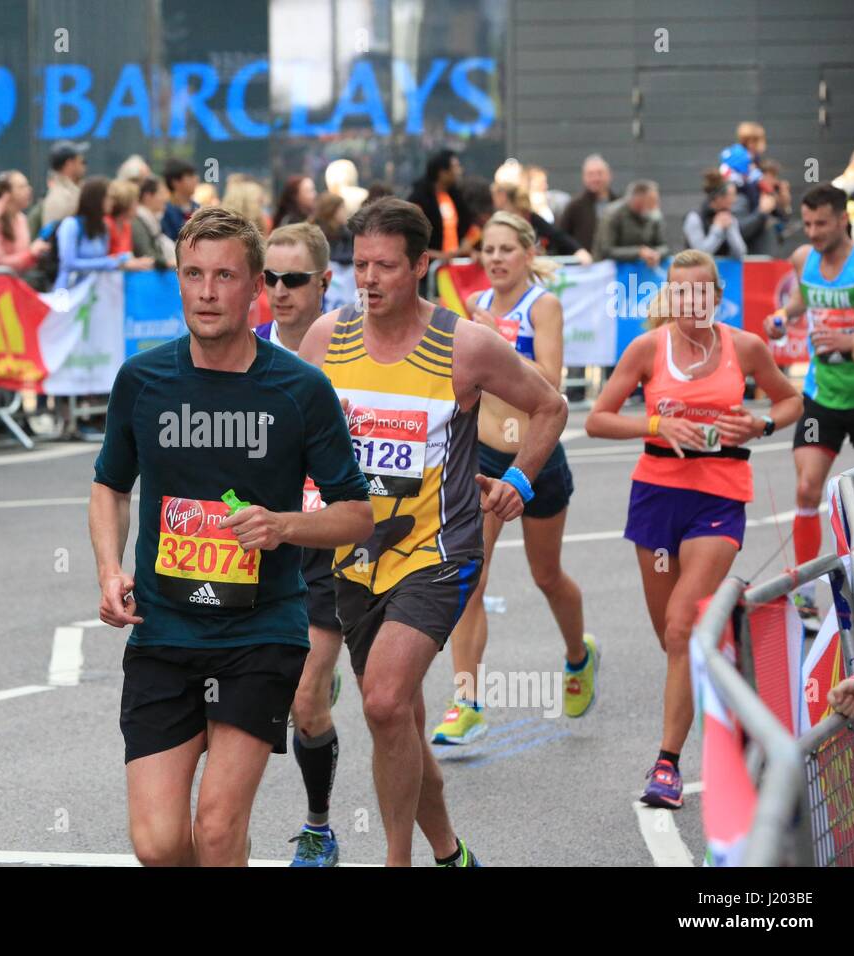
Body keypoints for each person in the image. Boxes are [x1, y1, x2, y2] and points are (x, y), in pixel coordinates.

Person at [89, 206, 373, 867]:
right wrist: (109, 568)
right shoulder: (144, 381)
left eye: (225, 276)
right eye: (193, 274)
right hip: (164, 632)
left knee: (217, 832)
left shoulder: (300, 390)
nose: (208, 292)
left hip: (259, 633)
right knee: (160, 845)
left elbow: (357, 515)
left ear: (254, 289)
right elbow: (109, 485)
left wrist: (284, 527)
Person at [297, 198, 569, 865]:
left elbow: (550, 406)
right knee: (404, 724)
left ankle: (398, 860)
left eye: (385, 266)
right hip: (354, 560)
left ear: (422, 264)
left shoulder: (466, 344)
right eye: (358, 264)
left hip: (437, 553)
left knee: (386, 703)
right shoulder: (325, 340)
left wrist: (519, 484)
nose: (369, 279)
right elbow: (294, 441)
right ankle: (450, 854)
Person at [587, 249, 801, 808]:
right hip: (657, 498)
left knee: (682, 625)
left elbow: (792, 399)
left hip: (720, 498)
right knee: (672, 638)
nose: (689, 302)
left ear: (716, 296)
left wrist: (761, 422)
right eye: (678, 292)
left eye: (699, 292)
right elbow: (596, 418)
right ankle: (727, 658)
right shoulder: (646, 349)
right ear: (669, 297)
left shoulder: (745, 347)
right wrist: (656, 422)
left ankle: (667, 765)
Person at [432, 211, 594, 746]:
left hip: (536, 458)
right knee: (469, 577)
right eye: (489, 250)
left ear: (528, 253)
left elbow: (552, 381)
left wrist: (496, 340)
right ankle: (466, 702)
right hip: (481, 458)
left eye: (507, 249)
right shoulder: (476, 308)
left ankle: (578, 655)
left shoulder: (540, 306)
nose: (496, 259)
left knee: (546, 575)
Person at [252, 223, 345, 865]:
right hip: (261, 540)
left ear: (325, 282)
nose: (280, 293)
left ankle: (319, 827)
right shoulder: (244, 348)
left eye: (295, 280)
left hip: (332, 542)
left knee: (307, 699)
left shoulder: (353, 347)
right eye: (270, 280)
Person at [764, 185, 854, 629]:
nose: (813, 231)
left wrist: (850, 342)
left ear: (843, 218)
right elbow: (802, 299)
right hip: (822, 394)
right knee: (807, 488)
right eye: (807, 224)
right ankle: (805, 593)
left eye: (821, 223)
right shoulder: (805, 259)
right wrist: (784, 317)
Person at [54, 177, 153, 290]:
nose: (112, 202)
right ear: (97, 199)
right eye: (108, 197)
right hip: (70, 294)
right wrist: (113, 262)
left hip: (93, 294)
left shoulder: (102, 228)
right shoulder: (71, 224)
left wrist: (124, 259)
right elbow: (69, 263)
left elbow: (103, 259)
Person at [491, 182, 591, 263]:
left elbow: (557, 235)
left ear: (503, 196)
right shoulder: (496, 221)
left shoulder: (531, 218)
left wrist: (578, 250)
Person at [0, 170, 46, 273]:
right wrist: (30, 253)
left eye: (27, 186)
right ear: (7, 194)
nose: (29, 190)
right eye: (22, 187)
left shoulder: (21, 218)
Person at [593, 180, 668, 268]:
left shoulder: (654, 215)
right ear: (638, 199)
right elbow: (606, 250)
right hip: (612, 272)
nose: (656, 206)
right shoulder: (612, 214)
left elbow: (664, 246)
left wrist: (655, 254)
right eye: (652, 201)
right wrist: (639, 252)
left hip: (642, 272)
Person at [407, 149, 464, 261]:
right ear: (442, 172)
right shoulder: (420, 198)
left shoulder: (455, 196)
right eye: (455, 167)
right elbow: (410, 238)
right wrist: (436, 255)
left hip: (452, 265)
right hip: (430, 269)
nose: (459, 171)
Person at [559, 154, 617, 254]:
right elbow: (562, 237)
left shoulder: (620, 204)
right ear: (584, 177)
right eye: (590, 174)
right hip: (585, 267)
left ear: (609, 175)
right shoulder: (574, 206)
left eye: (600, 173)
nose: (596, 179)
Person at [683, 169, 747, 258]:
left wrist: (730, 229)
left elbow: (740, 253)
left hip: (725, 271)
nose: (734, 200)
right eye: (731, 195)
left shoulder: (730, 218)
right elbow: (700, 254)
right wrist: (717, 228)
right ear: (718, 198)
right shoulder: (694, 218)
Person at [41, 141, 89, 228]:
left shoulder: (74, 190)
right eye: (82, 162)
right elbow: (53, 236)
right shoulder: (59, 197)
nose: (84, 166)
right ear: (69, 164)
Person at [134, 176, 176, 268]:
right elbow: (146, 253)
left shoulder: (153, 221)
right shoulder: (137, 221)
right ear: (147, 196)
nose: (166, 198)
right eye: (161, 193)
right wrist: (167, 263)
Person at [162, 159, 201, 240]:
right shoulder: (165, 211)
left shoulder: (198, 209)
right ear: (175, 182)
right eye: (190, 176)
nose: (196, 179)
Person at [106, 179, 139, 255]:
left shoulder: (127, 226)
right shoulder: (107, 224)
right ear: (125, 203)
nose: (137, 205)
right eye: (135, 201)